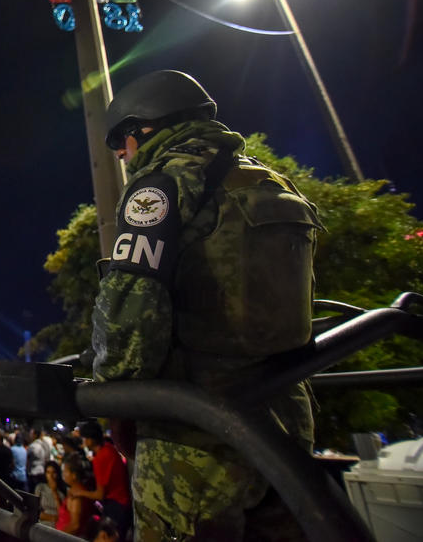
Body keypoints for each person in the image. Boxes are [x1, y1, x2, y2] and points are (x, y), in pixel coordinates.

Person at [93, 70, 321, 540]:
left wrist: (114, 398)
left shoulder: (162, 186)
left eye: (122, 138)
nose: (119, 153)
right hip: (285, 420)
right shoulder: (268, 180)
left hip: (198, 432)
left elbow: (131, 310)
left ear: (149, 127)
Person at [78, 422, 130, 539]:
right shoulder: (109, 448)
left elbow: (100, 494)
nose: (84, 442)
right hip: (123, 503)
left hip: (116, 506)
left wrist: (79, 492)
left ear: (90, 439)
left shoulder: (100, 458)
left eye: (84, 438)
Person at [56, 454, 98, 537]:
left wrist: (56, 537)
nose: (63, 474)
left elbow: (75, 526)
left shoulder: (76, 496)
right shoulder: (75, 490)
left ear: (74, 475)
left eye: (65, 471)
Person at [35, 460, 65, 527]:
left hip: (58, 525)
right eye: (48, 472)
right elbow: (36, 511)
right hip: (44, 523)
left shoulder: (63, 490)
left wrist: (54, 491)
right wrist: (53, 518)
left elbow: (62, 513)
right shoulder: (40, 487)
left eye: (53, 472)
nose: (51, 476)